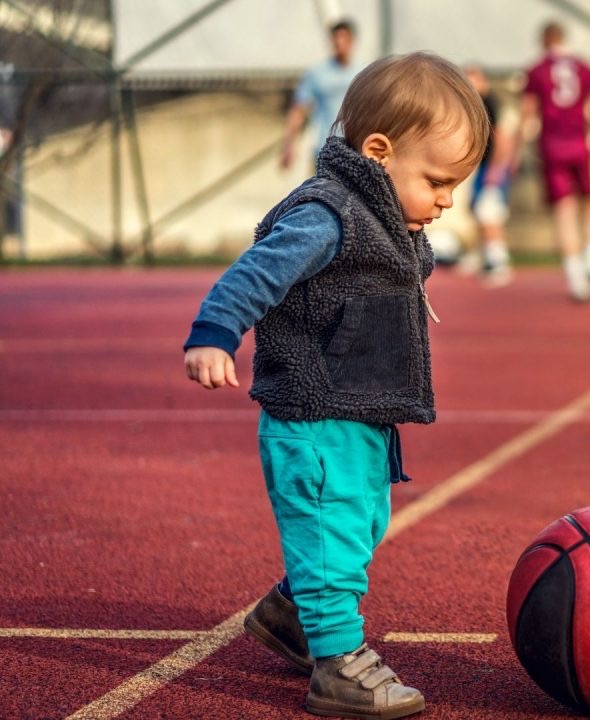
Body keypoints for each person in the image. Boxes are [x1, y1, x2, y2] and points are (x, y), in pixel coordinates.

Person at [182, 53, 489, 719]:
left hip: (359, 412)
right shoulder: (328, 216)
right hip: (314, 413)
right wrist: (215, 331)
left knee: (360, 525)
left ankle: (290, 617)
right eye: (437, 180)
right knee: (332, 532)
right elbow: (257, 271)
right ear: (378, 152)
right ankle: (339, 666)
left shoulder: (388, 220)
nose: (446, 199)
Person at [516, 21, 590, 302]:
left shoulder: (537, 71)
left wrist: (515, 152)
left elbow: (527, 113)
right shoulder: (584, 67)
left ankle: (576, 277)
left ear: (543, 42)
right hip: (581, 143)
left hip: (553, 145)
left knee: (565, 210)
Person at [460, 65, 515, 287]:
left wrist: (496, 169)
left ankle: (499, 262)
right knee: (477, 210)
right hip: (482, 167)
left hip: (492, 168)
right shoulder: (474, 106)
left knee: (489, 212)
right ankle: (483, 257)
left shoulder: (490, 103)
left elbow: (502, 139)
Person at [280, 19, 360, 170]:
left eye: (343, 38)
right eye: (336, 39)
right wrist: (289, 145)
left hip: (355, 149)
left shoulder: (363, 73)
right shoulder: (317, 73)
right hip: (324, 150)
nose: (339, 43)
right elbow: (299, 109)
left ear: (351, 41)